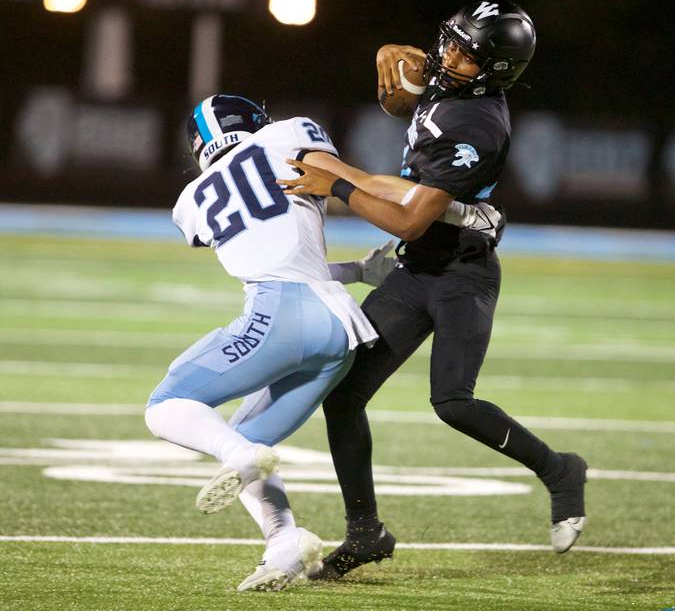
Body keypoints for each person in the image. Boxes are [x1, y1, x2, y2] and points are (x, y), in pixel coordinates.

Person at [276, 0, 588, 580]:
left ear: (495, 71)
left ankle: (560, 469)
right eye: (451, 41)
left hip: (458, 274)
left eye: (467, 55)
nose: (449, 56)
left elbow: (409, 217)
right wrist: (388, 64)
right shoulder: (457, 85)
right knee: (343, 397)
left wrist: (340, 186)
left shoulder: (477, 124)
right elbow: (405, 101)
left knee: (453, 402)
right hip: (417, 267)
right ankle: (366, 532)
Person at [144, 93, 502, 592]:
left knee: (165, 406)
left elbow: (272, 265)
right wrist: (446, 220)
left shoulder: (191, 202)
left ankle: (236, 455)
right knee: (250, 436)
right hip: (339, 326)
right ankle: (283, 543)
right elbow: (358, 186)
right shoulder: (290, 135)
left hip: (277, 316)